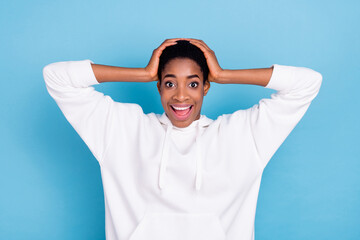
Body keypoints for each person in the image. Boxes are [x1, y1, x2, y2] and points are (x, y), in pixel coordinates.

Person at [43, 38, 322, 240]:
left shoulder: (243, 134)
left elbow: (307, 83)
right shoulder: (123, 129)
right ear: (158, 86)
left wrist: (225, 74)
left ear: (206, 87)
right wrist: (141, 73)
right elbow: (56, 77)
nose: (180, 96)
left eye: (192, 83)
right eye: (169, 82)